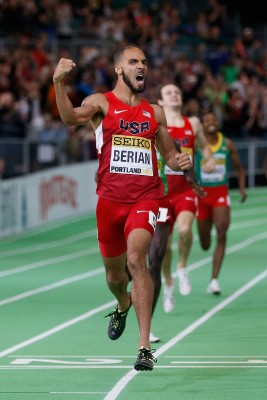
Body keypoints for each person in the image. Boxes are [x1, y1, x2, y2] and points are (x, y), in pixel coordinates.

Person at [52, 45, 193, 371]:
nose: (141, 65)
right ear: (119, 69)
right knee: (115, 277)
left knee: (136, 260)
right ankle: (122, 301)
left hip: (145, 198)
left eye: (144, 61)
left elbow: (170, 155)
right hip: (110, 203)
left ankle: (144, 347)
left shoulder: (154, 113)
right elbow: (69, 117)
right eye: (133, 61)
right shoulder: (101, 103)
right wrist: (59, 83)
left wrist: (179, 160)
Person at [151, 82, 215, 318]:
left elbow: (205, 148)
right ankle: (168, 283)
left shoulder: (193, 123)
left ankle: (182, 267)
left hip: (185, 190)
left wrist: (208, 159)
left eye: (177, 91)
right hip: (163, 193)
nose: (174, 94)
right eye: (169, 92)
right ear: (161, 101)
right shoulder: (157, 123)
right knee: (164, 245)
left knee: (186, 229)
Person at [195, 110, 247, 294]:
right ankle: (206, 243)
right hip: (202, 196)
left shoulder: (227, 144)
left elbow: (240, 169)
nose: (211, 122)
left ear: (218, 123)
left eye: (213, 119)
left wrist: (241, 188)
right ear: (202, 124)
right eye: (207, 119)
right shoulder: (196, 145)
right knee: (205, 243)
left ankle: (214, 280)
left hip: (220, 193)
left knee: (222, 232)